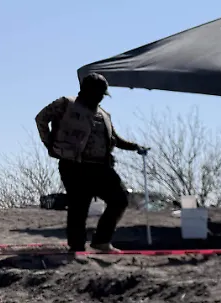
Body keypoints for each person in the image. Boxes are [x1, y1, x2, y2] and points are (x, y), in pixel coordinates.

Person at [35, 73, 149, 254]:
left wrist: (134, 146)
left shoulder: (104, 114)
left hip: (101, 166)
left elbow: (114, 139)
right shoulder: (66, 104)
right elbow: (41, 118)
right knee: (79, 206)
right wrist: (50, 144)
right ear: (86, 91)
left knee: (119, 199)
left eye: (103, 94)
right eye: (98, 93)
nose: (100, 97)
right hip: (74, 165)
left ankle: (101, 241)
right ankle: (77, 248)